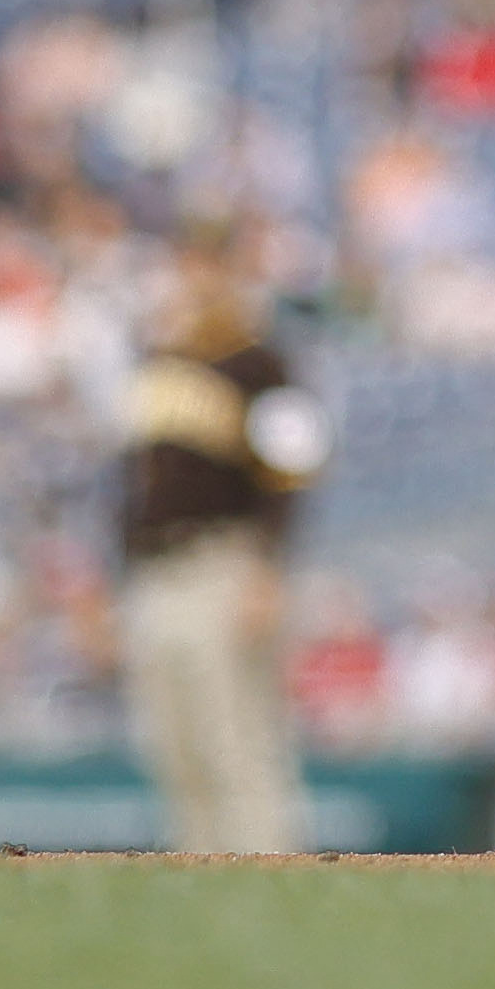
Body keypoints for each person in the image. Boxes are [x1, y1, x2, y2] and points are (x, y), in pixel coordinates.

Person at [117, 252, 322, 855]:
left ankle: (269, 867)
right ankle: (200, 880)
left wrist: (268, 568)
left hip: (223, 561)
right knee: (173, 742)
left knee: (236, 734)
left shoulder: (261, 364)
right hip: (157, 570)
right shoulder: (158, 365)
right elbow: (133, 486)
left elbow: (292, 467)